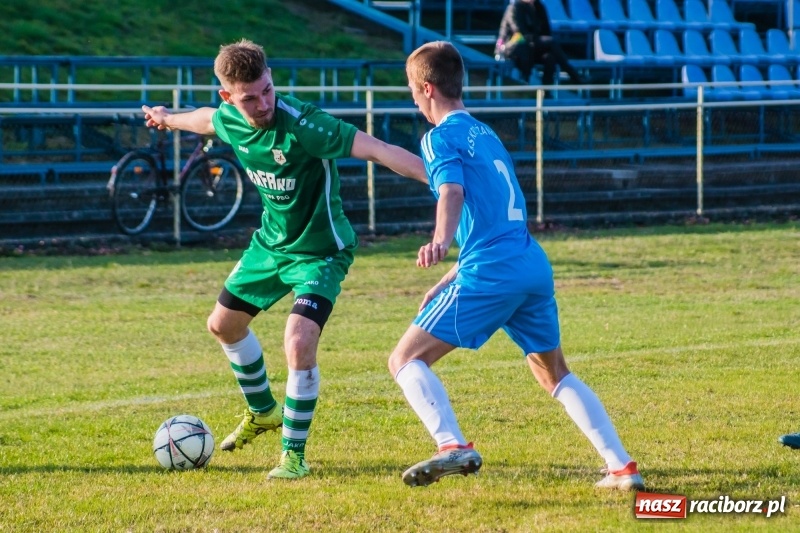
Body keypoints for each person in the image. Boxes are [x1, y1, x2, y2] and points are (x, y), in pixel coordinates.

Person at [142, 39, 427, 480]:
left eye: (267, 90)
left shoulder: (306, 126)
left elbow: (379, 150)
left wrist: (444, 181)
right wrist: (167, 119)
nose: (262, 104)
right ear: (229, 97)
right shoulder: (232, 118)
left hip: (320, 252)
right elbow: (205, 121)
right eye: (250, 98)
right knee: (223, 325)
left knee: (297, 342)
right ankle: (263, 413)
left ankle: (294, 456)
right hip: (271, 246)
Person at [390, 40, 644, 490]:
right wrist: (451, 274)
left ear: (427, 88)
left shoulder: (438, 137)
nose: (414, 101)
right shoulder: (485, 134)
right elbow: (493, 217)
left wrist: (439, 243)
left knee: (405, 359)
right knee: (553, 373)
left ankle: (452, 445)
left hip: (492, 270)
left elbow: (452, 194)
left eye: (412, 92)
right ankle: (622, 467)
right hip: (529, 263)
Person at [496, 0, 586, 87]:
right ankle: (574, 76)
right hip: (515, 47)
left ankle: (546, 92)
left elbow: (546, 31)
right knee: (551, 42)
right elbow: (520, 32)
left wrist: (540, 41)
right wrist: (540, 40)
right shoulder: (514, 8)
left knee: (550, 57)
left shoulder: (539, 7)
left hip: (533, 46)